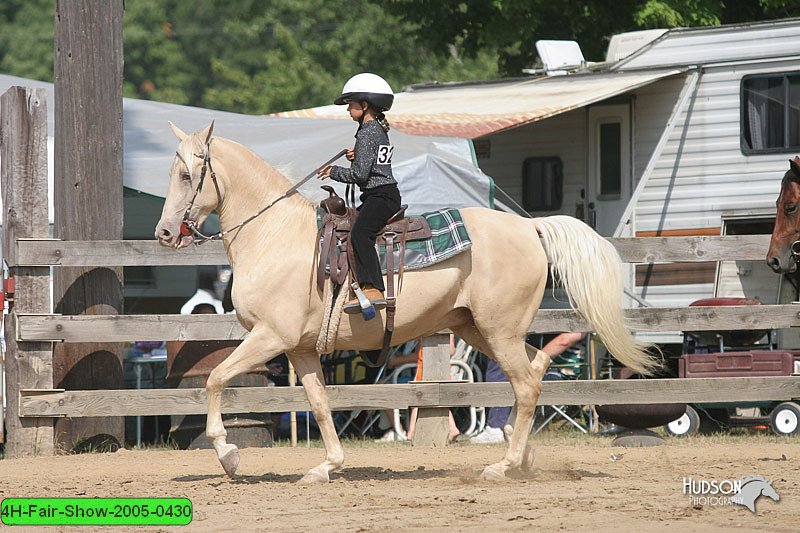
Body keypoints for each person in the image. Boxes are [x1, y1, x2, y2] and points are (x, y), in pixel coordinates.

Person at [318, 73, 402, 313]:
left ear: (365, 105)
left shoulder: (367, 132)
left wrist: (333, 171)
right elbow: (370, 164)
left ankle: (373, 288)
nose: (348, 110)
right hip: (384, 194)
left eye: (351, 104)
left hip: (380, 195)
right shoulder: (376, 129)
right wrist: (357, 158)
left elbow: (359, 176)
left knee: (360, 234)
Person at [469, 332, 587, 444]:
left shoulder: (579, 317)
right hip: (548, 369)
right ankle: (506, 427)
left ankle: (497, 427)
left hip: (560, 372)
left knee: (505, 361)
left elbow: (566, 339)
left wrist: (536, 361)